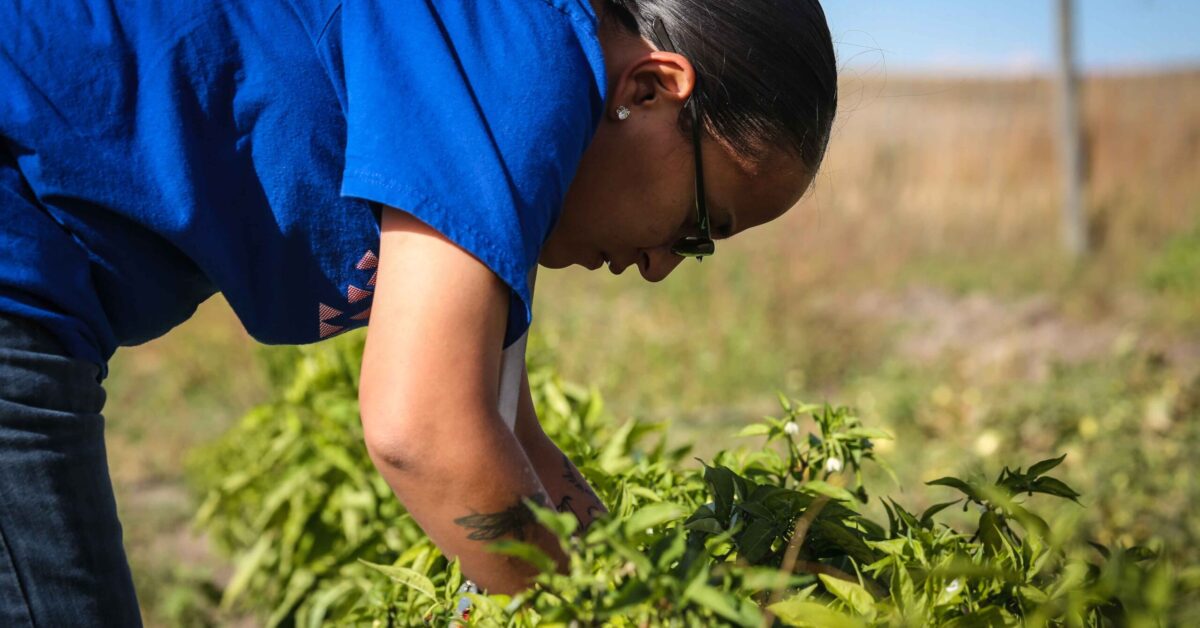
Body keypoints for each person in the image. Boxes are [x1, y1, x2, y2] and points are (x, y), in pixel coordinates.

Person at [0, 0, 837, 623]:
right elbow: (424, 433)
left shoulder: (500, 108)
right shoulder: (524, 53)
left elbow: (510, 441)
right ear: (652, 89)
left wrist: (657, 593)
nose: (660, 267)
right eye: (697, 227)